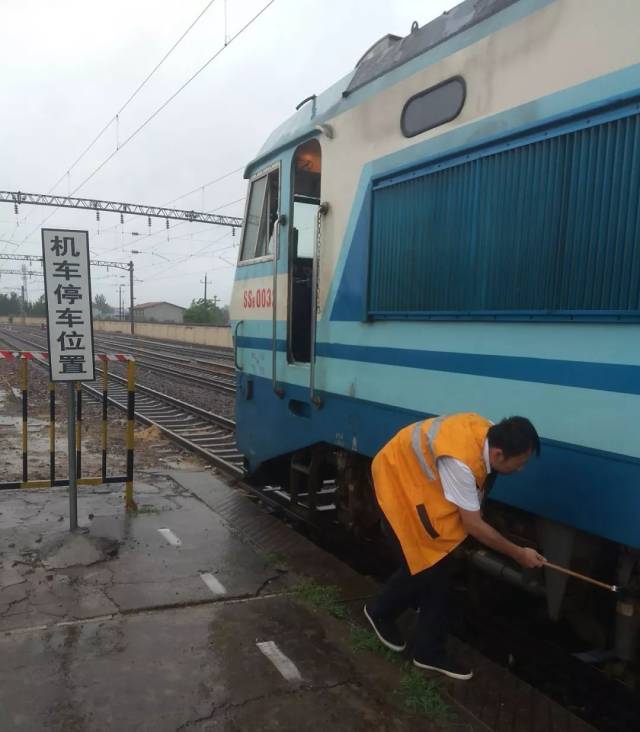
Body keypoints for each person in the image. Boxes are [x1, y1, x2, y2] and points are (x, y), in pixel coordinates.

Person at [364, 412, 545, 681]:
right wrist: (519, 554)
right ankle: (384, 616)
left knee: (436, 570)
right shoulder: (460, 461)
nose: (521, 469)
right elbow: (473, 525)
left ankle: (423, 647)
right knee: (430, 566)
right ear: (498, 455)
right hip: (397, 481)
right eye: (519, 463)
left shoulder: (486, 432)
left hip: (420, 480)